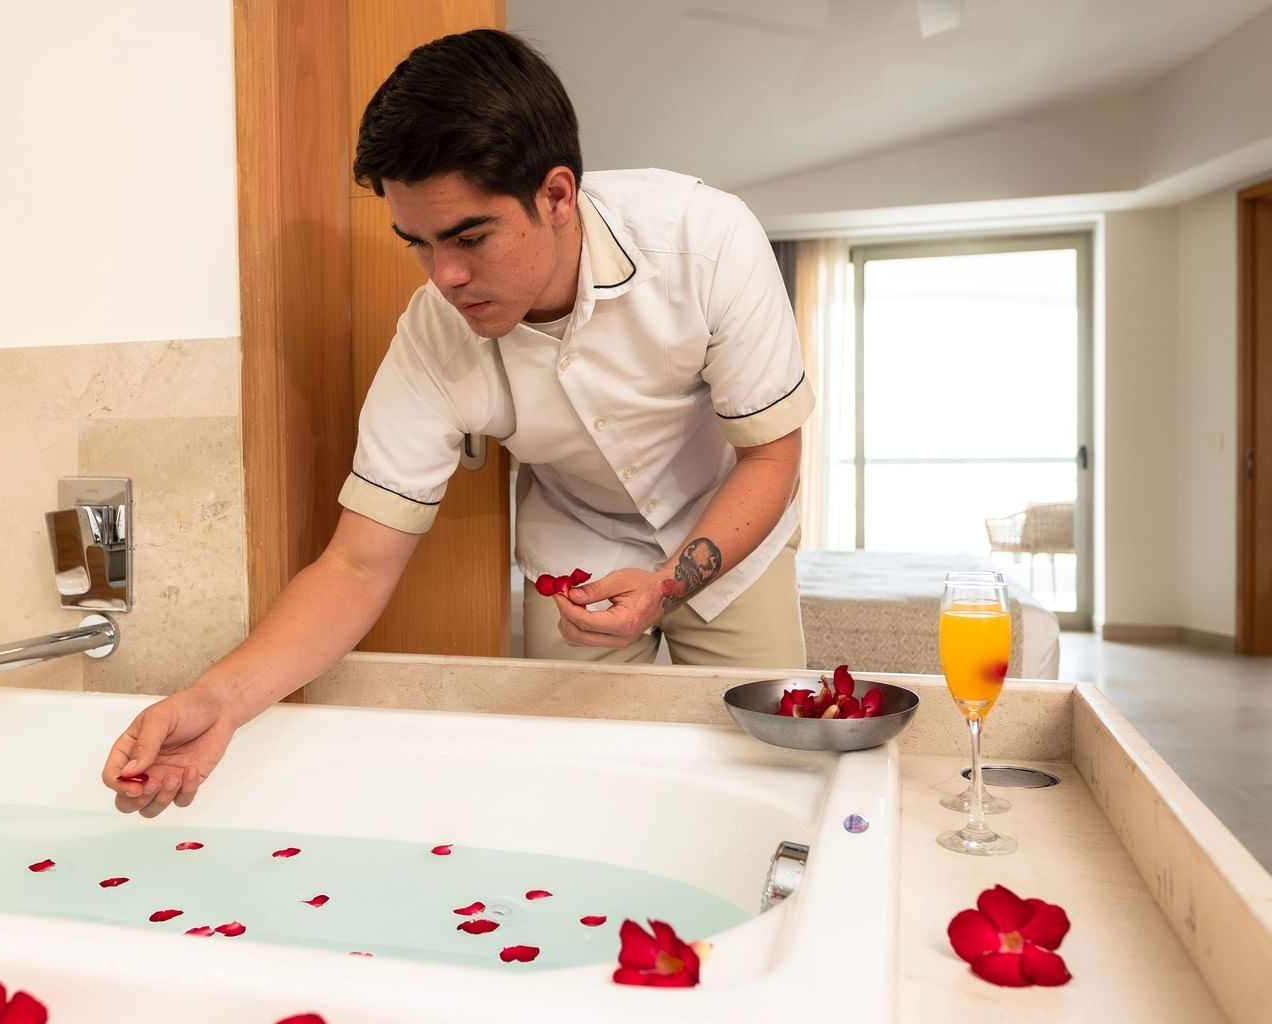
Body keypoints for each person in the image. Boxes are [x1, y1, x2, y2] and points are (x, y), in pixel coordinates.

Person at [102, 28, 809, 818]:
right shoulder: (433, 334)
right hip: (576, 544)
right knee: (581, 794)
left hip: (728, 521)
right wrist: (219, 699)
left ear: (557, 195)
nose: (446, 278)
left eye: (470, 237)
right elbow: (356, 566)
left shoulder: (706, 240)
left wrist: (673, 582)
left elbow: (772, 456)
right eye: (420, 244)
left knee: (772, 771)